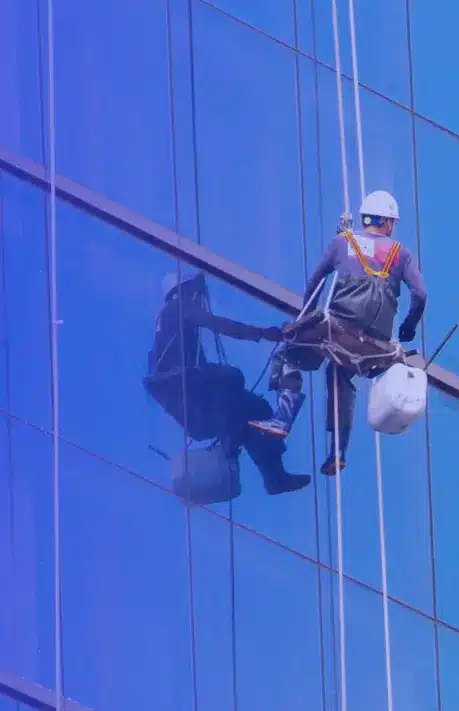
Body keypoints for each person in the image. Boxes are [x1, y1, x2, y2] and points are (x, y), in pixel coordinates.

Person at [250, 189, 427, 476]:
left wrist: (303, 320)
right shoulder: (401, 254)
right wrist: (408, 327)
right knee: (339, 373)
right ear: (387, 222)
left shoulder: (341, 242)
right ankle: (338, 452)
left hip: (337, 329)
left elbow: (316, 282)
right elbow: (420, 294)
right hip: (377, 344)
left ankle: (282, 420)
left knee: (288, 354)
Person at [145, 271, 310, 495]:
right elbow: (221, 325)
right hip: (197, 404)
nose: (198, 298)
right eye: (194, 292)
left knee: (245, 415)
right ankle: (271, 475)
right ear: (184, 292)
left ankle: (244, 453)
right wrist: (264, 333)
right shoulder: (177, 309)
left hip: (193, 410)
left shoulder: (168, 329)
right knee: (257, 407)